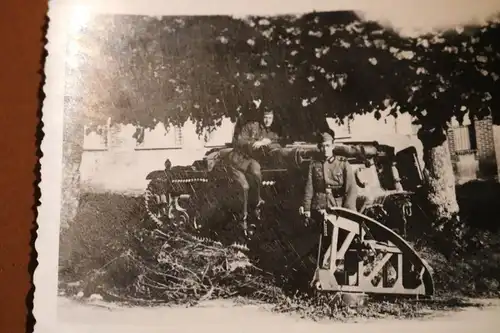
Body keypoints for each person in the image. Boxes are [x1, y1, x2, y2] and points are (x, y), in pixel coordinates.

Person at [227, 108, 281, 235]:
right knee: (244, 187)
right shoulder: (252, 126)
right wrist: (255, 142)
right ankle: (243, 217)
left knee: (257, 172)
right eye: (266, 117)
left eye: (270, 118)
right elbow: (240, 140)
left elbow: (277, 140)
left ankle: (257, 201)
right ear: (262, 117)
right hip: (238, 160)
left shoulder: (270, 132)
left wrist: (267, 141)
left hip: (250, 161)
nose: (268, 120)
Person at [301, 130, 358, 224]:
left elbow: (351, 190)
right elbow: (309, 188)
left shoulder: (342, 163)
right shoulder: (314, 164)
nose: (325, 149)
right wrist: (307, 208)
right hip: (319, 206)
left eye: (327, 146)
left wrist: (348, 212)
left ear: (332, 146)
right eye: (322, 146)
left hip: (338, 206)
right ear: (319, 147)